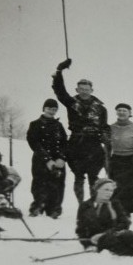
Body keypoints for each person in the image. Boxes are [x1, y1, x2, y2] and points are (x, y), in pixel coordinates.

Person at [50, 59, 109, 205]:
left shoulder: (101, 108)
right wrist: (59, 71)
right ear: (77, 90)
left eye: (87, 89)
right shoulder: (72, 103)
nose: (84, 91)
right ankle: (81, 205)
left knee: (93, 177)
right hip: (77, 144)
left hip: (94, 146)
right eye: (81, 89)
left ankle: (94, 205)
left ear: (91, 90)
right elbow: (59, 91)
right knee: (78, 177)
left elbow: (104, 126)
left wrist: (106, 137)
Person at [76, 178, 133, 256]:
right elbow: (80, 230)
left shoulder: (114, 204)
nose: (109, 193)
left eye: (111, 190)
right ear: (97, 189)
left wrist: (105, 234)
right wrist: (87, 245)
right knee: (127, 241)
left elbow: (125, 223)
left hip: (113, 236)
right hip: (95, 240)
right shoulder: (85, 206)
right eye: (106, 189)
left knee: (129, 235)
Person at [25, 98, 68, 218]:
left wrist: (62, 158)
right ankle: (38, 206)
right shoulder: (35, 124)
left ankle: (54, 209)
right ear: (44, 109)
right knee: (39, 183)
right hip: (41, 159)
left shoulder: (59, 125)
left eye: (54, 109)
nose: (51, 111)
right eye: (49, 108)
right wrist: (47, 160)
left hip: (58, 161)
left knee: (57, 185)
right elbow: (34, 143)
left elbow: (65, 143)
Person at [106, 103, 133, 226]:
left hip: (131, 160)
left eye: (125, 110)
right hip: (116, 159)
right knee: (117, 189)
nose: (122, 112)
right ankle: (122, 216)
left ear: (129, 113)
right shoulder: (111, 128)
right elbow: (106, 146)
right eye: (119, 110)